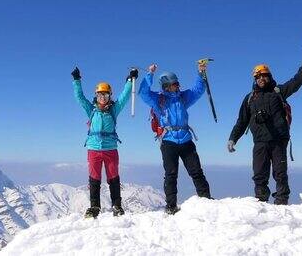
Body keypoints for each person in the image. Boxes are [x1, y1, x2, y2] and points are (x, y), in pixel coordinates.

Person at [227, 46, 302, 205]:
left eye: (264, 76)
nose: (261, 79)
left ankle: (281, 203)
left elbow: (298, 80)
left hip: (278, 140)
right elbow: (242, 121)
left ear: (269, 76)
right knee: (259, 175)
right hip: (260, 142)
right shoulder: (250, 99)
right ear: (255, 79)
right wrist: (233, 138)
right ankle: (261, 203)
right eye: (258, 76)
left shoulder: (278, 92)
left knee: (280, 174)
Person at [138, 62, 212, 215]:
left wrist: (201, 73)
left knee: (196, 171)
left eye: (177, 83)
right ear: (165, 86)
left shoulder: (183, 97)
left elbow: (198, 90)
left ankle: (206, 200)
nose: (177, 86)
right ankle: (171, 206)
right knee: (171, 174)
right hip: (169, 141)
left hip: (186, 139)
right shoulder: (158, 100)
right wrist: (149, 75)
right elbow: (143, 93)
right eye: (174, 84)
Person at [71, 66, 138, 218]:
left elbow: (125, 97)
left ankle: (117, 205)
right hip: (93, 149)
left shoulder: (113, 110)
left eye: (105, 95)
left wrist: (130, 81)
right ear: (96, 96)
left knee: (113, 178)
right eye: (100, 95)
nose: (103, 99)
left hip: (110, 149)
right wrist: (77, 80)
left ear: (109, 96)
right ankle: (94, 207)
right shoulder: (91, 110)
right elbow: (80, 98)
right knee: (94, 178)